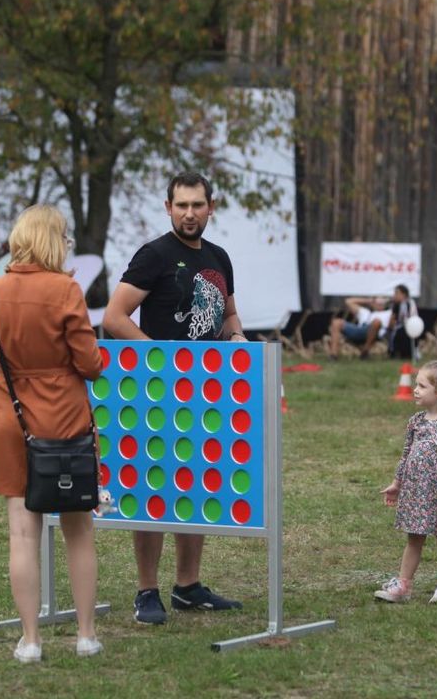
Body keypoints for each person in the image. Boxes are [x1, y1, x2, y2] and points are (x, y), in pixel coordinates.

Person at [103, 171, 246, 625]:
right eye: (181, 205)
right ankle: (147, 591)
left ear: (210, 208)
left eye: (197, 205)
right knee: (153, 489)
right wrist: (163, 361)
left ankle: (187, 587)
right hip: (156, 393)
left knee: (196, 483)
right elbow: (114, 317)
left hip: (208, 393)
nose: (189, 213)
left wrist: (238, 338)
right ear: (168, 208)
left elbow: (229, 314)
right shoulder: (154, 255)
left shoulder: (220, 257)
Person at [0, 204, 103, 661]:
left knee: (22, 536)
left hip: (13, 422)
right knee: (78, 530)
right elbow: (90, 364)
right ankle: (85, 635)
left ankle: (30, 639)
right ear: (54, 242)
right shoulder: (66, 290)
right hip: (65, 420)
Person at [375, 361, 437, 604]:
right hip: (415, 493)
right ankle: (403, 585)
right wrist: (397, 483)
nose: (415, 390)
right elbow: (406, 454)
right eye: (416, 384)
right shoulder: (416, 421)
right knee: (414, 538)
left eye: (422, 386)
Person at [387, 284, 420, 358]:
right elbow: (393, 319)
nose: (395, 295)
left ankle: (411, 352)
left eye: (397, 293)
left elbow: (411, 317)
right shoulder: (396, 305)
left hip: (410, 326)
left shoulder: (410, 303)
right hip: (399, 327)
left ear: (404, 294)